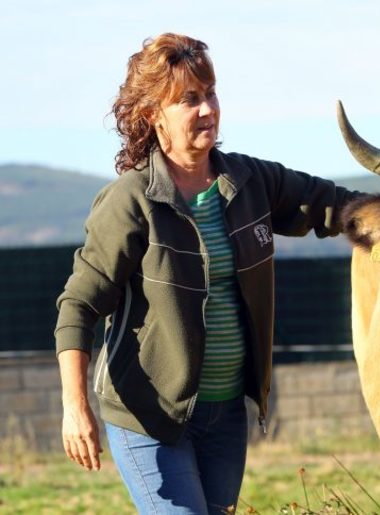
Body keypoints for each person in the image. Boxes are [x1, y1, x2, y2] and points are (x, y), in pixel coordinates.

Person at [55, 33, 360, 514]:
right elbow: (78, 306)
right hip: (149, 420)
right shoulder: (132, 200)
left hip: (225, 416)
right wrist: (75, 407)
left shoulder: (250, 182)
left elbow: (331, 205)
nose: (206, 110)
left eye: (210, 95)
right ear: (154, 114)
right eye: (188, 100)